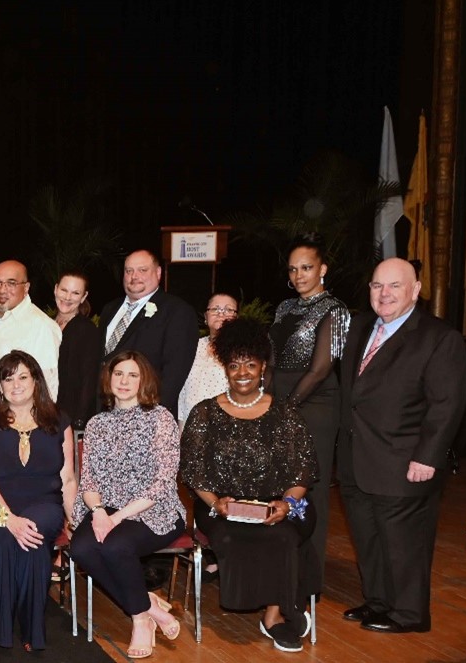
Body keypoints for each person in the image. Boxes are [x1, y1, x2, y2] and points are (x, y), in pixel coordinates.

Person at [339, 258, 466, 634]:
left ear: (416, 290)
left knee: (404, 544)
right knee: (369, 539)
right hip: (355, 459)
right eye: (378, 285)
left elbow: (448, 404)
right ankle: (379, 602)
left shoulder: (439, 337)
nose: (385, 294)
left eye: (395, 286)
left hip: (406, 461)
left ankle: (410, 614)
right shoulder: (360, 327)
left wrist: (428, 456)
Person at [181, 318, 318, 653]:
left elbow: (304, 469)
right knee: (230, 536)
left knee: (283, 535)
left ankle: (273, 616)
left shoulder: (285, 412)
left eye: (250, 365)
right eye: (234, 365)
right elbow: (193, 471)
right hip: (221, 505)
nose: (242, 372)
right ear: (225, 368)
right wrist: (216, 503)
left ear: (262, 368)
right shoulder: (204, 413)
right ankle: (255, 600)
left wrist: (286, 503)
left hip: (278, 502)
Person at [70, 352, 186, 659]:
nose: (123, 381)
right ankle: (147, 604)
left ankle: (140, 620)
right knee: (80, 549)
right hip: (104, 508)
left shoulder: (160, 417)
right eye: (118, 373)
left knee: (114, 547)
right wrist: (97, 512)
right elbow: (89, 481)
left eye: (132, 375)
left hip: (153, 509)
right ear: (108, 379)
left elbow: (162, 482)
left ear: (143, 380)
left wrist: (116, 517)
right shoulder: (98, 423)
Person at [0, 350, 76, 652]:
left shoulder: (59, 420)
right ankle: (2, 624)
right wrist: (9, 519)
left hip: (45, 504)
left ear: (36, 381)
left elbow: (67, 480)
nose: (15, 384)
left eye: (23, 377)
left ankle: (32, 625)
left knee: (33, 532)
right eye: (7, 378)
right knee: (3, 536)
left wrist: (77, 519)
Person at [270, 236, 349, 578]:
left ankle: (310, 574)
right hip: (279, 396)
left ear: (323, 269)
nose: (300, 275)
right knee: (276, 481)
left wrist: (287, 407)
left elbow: (319, 370)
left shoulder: (336, 310)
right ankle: (280, 564)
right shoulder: (284, 308)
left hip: (315, 401)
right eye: (293, 269)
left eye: (307, 267)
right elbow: (271, 360)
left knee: (309, 486)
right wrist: (267, 400)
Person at [99, 250, 198, 414]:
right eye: (129, 271)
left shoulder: (177, 311)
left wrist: (152, 416)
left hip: (146, 414)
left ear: (158, 273)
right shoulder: (109, 309)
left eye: (142, 270)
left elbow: (175, 371)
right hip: (105, 412)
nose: (134, 276)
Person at [0, 259, 62, 404]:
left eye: (11, 283)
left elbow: (48, 387)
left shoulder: (42, 326)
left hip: (7, 418)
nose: (2, 290)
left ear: (26, 287)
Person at [178, 293, 240, 427]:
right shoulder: (191, 346)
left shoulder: (243, 351)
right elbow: (183, 391)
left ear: (236, 317)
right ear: (206, 317)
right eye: (215, 309)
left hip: (226, 426)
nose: (221, 313)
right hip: (190, 423)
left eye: (228, 309)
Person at [53, 271, 101, 431]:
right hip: (45, 411)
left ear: (83, 296)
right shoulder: (46, 325)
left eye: (75, 293)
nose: (67, 297)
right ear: (55, 289)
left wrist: (79, 420)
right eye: (64, 290)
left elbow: (89, 378)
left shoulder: (87, 330)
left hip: (69, 417)